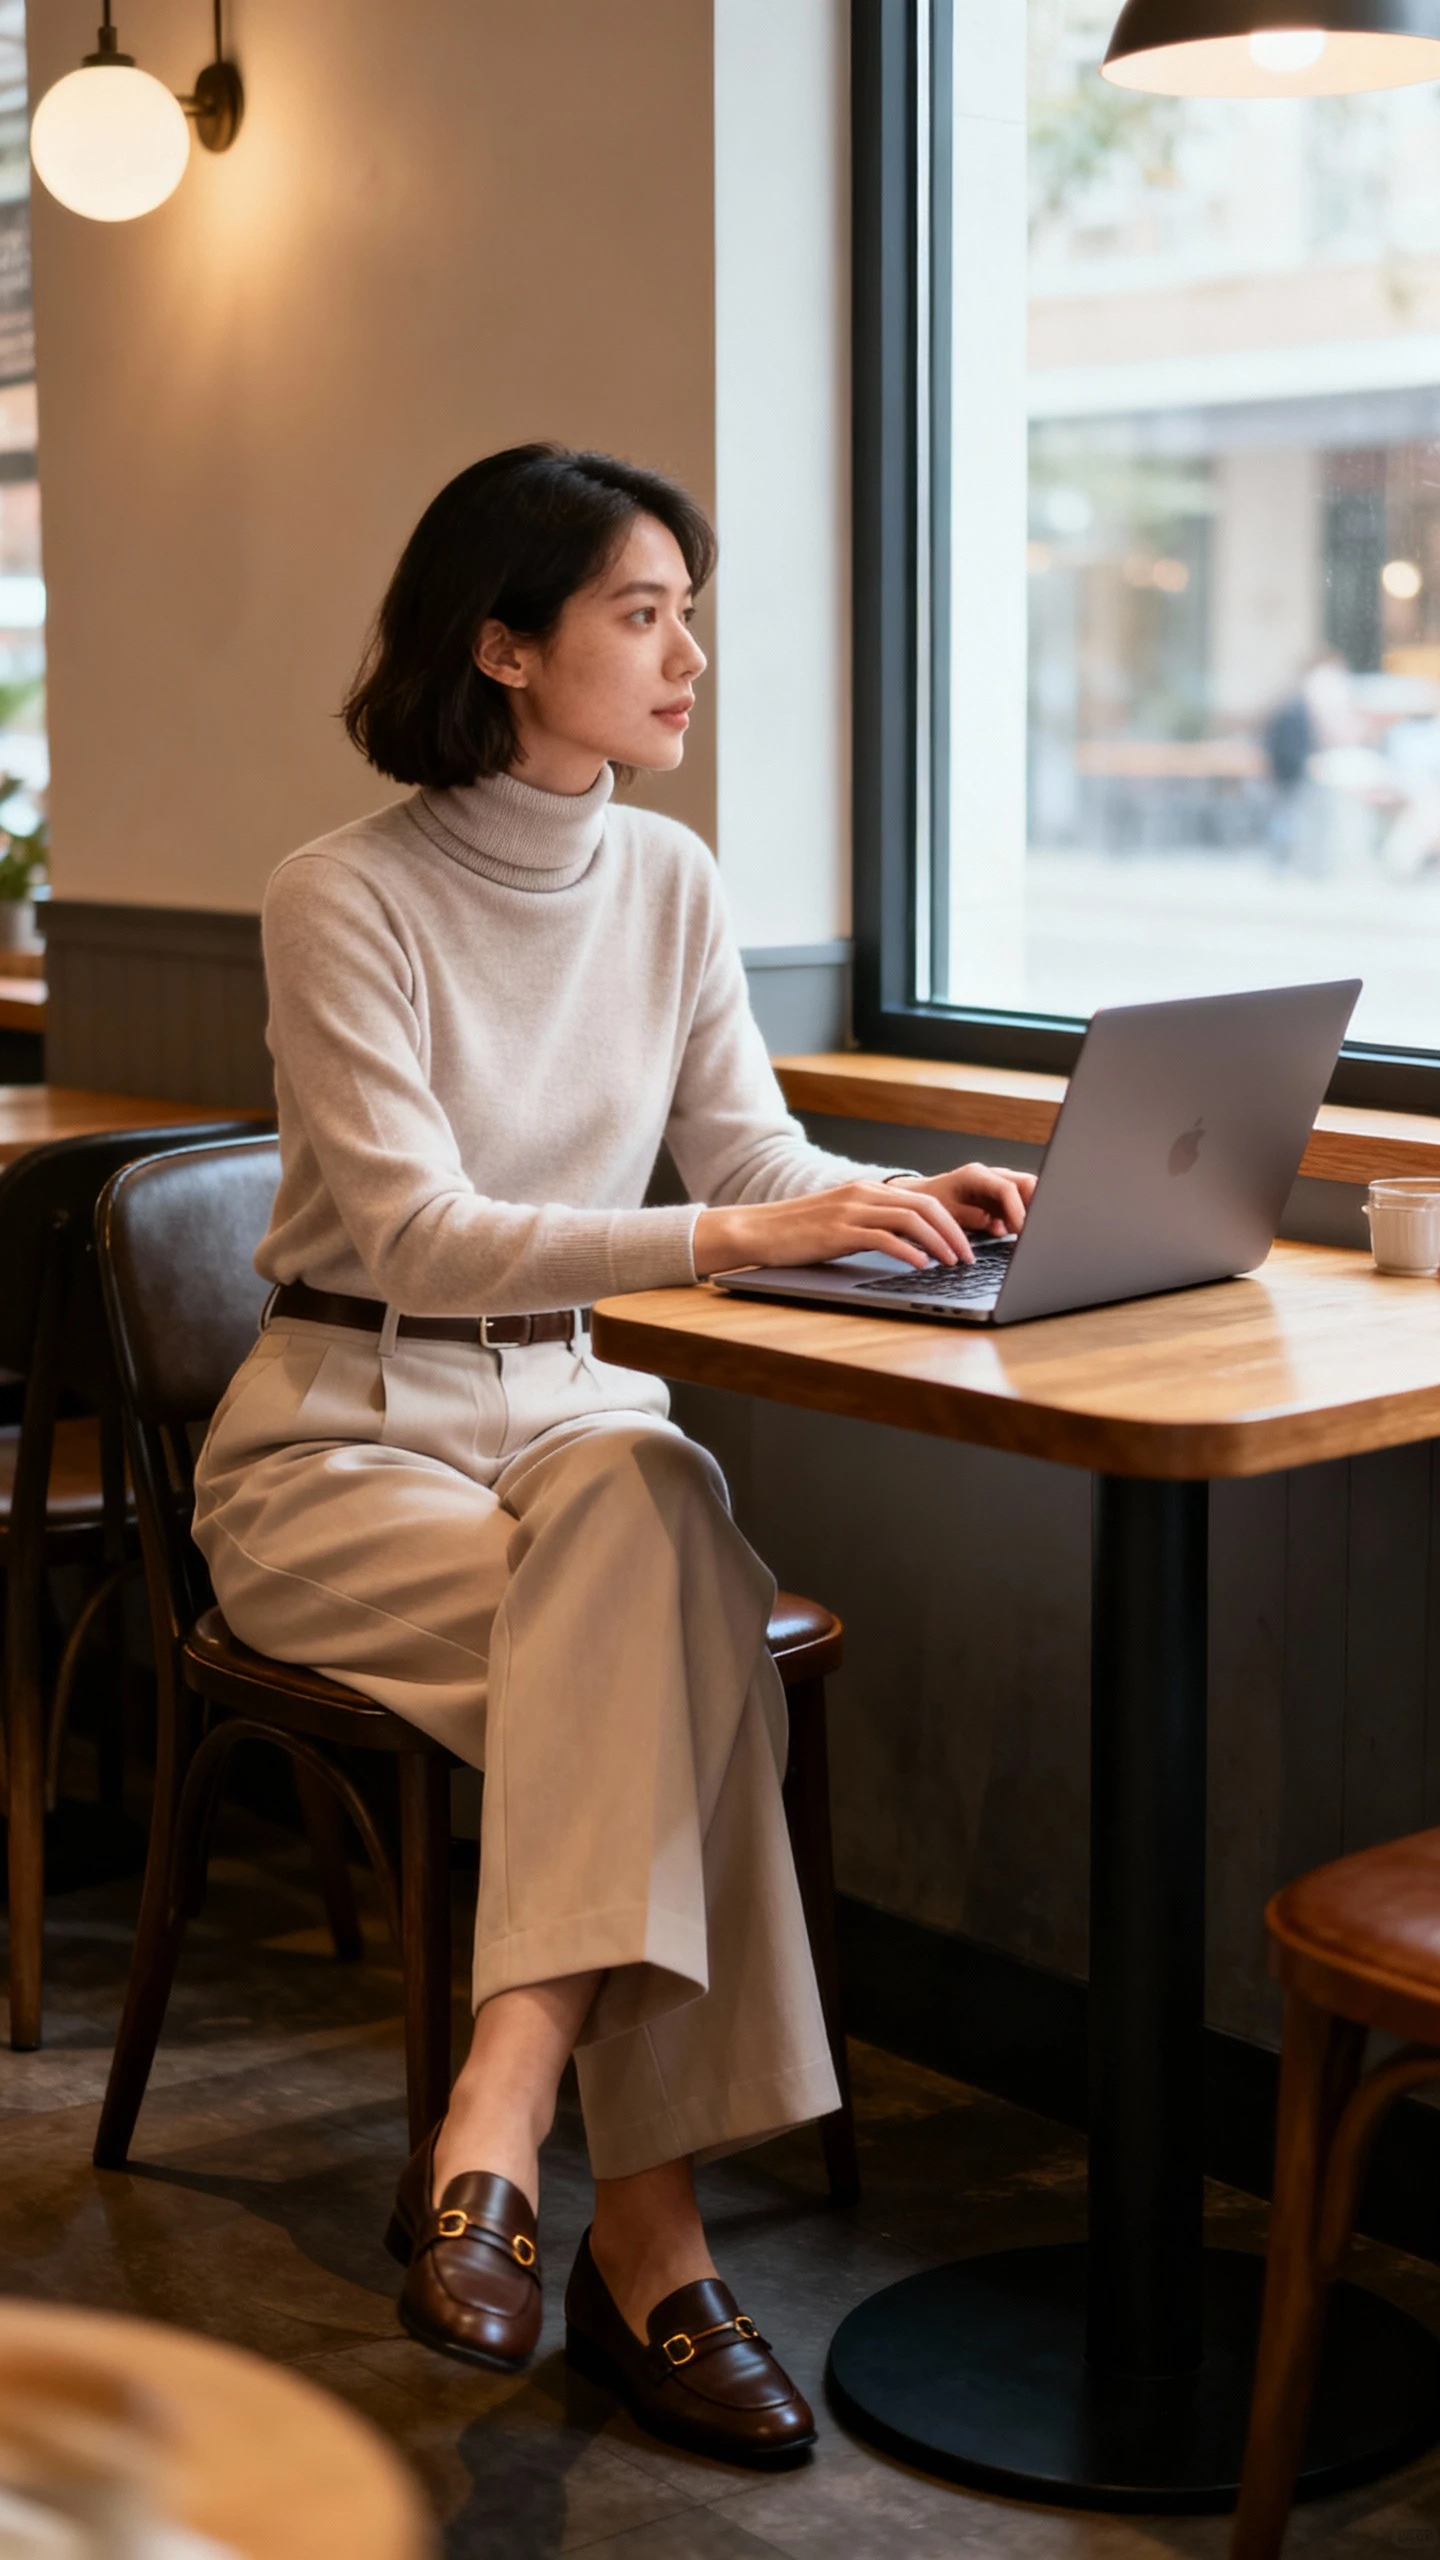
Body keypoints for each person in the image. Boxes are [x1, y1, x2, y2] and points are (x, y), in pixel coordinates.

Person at [192, 444, 1034, 2466]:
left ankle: (496, 2122)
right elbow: (411, 1233)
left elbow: (746, 1152)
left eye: (688, 608)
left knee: (649, 1510)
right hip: (343, 1442)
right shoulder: (344, 893)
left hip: (573, 1427)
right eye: (640, 612)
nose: (691, 653)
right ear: (502, 644)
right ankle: (649, 2242)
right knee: (668, 1617)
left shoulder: (667, 877)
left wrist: (901, 1200)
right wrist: (748, 1233)